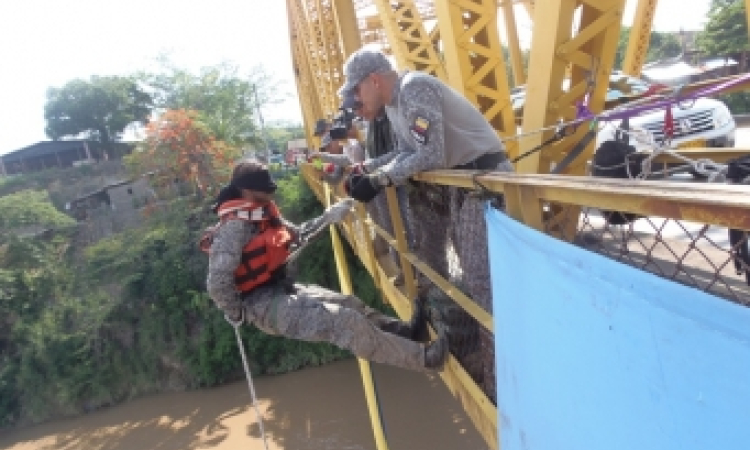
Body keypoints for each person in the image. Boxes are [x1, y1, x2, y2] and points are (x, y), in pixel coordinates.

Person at [338, 48, 515, 401]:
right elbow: (406, 153)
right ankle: (491, 355)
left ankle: (504, 375)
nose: (354, 104)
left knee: (480, 278)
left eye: (355, 92)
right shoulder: (393, 105)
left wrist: (379, 181)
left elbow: (430, 155)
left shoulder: (414, 88)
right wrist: (369, 169)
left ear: (374, 80)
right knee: (450, 265)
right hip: (462, 185)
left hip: (483, 180)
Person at [205, 160, 448, 372]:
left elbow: (297, 235)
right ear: (247, 190)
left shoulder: (261, 213)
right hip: (262, 306)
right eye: (265, 189)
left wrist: (329, 216)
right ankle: (424, 359)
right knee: (343, 322)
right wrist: (237, 312)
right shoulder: (233, 229)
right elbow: (217, 283)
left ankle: (407, 333)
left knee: (350, 305)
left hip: (279, 288)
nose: (271, 195)